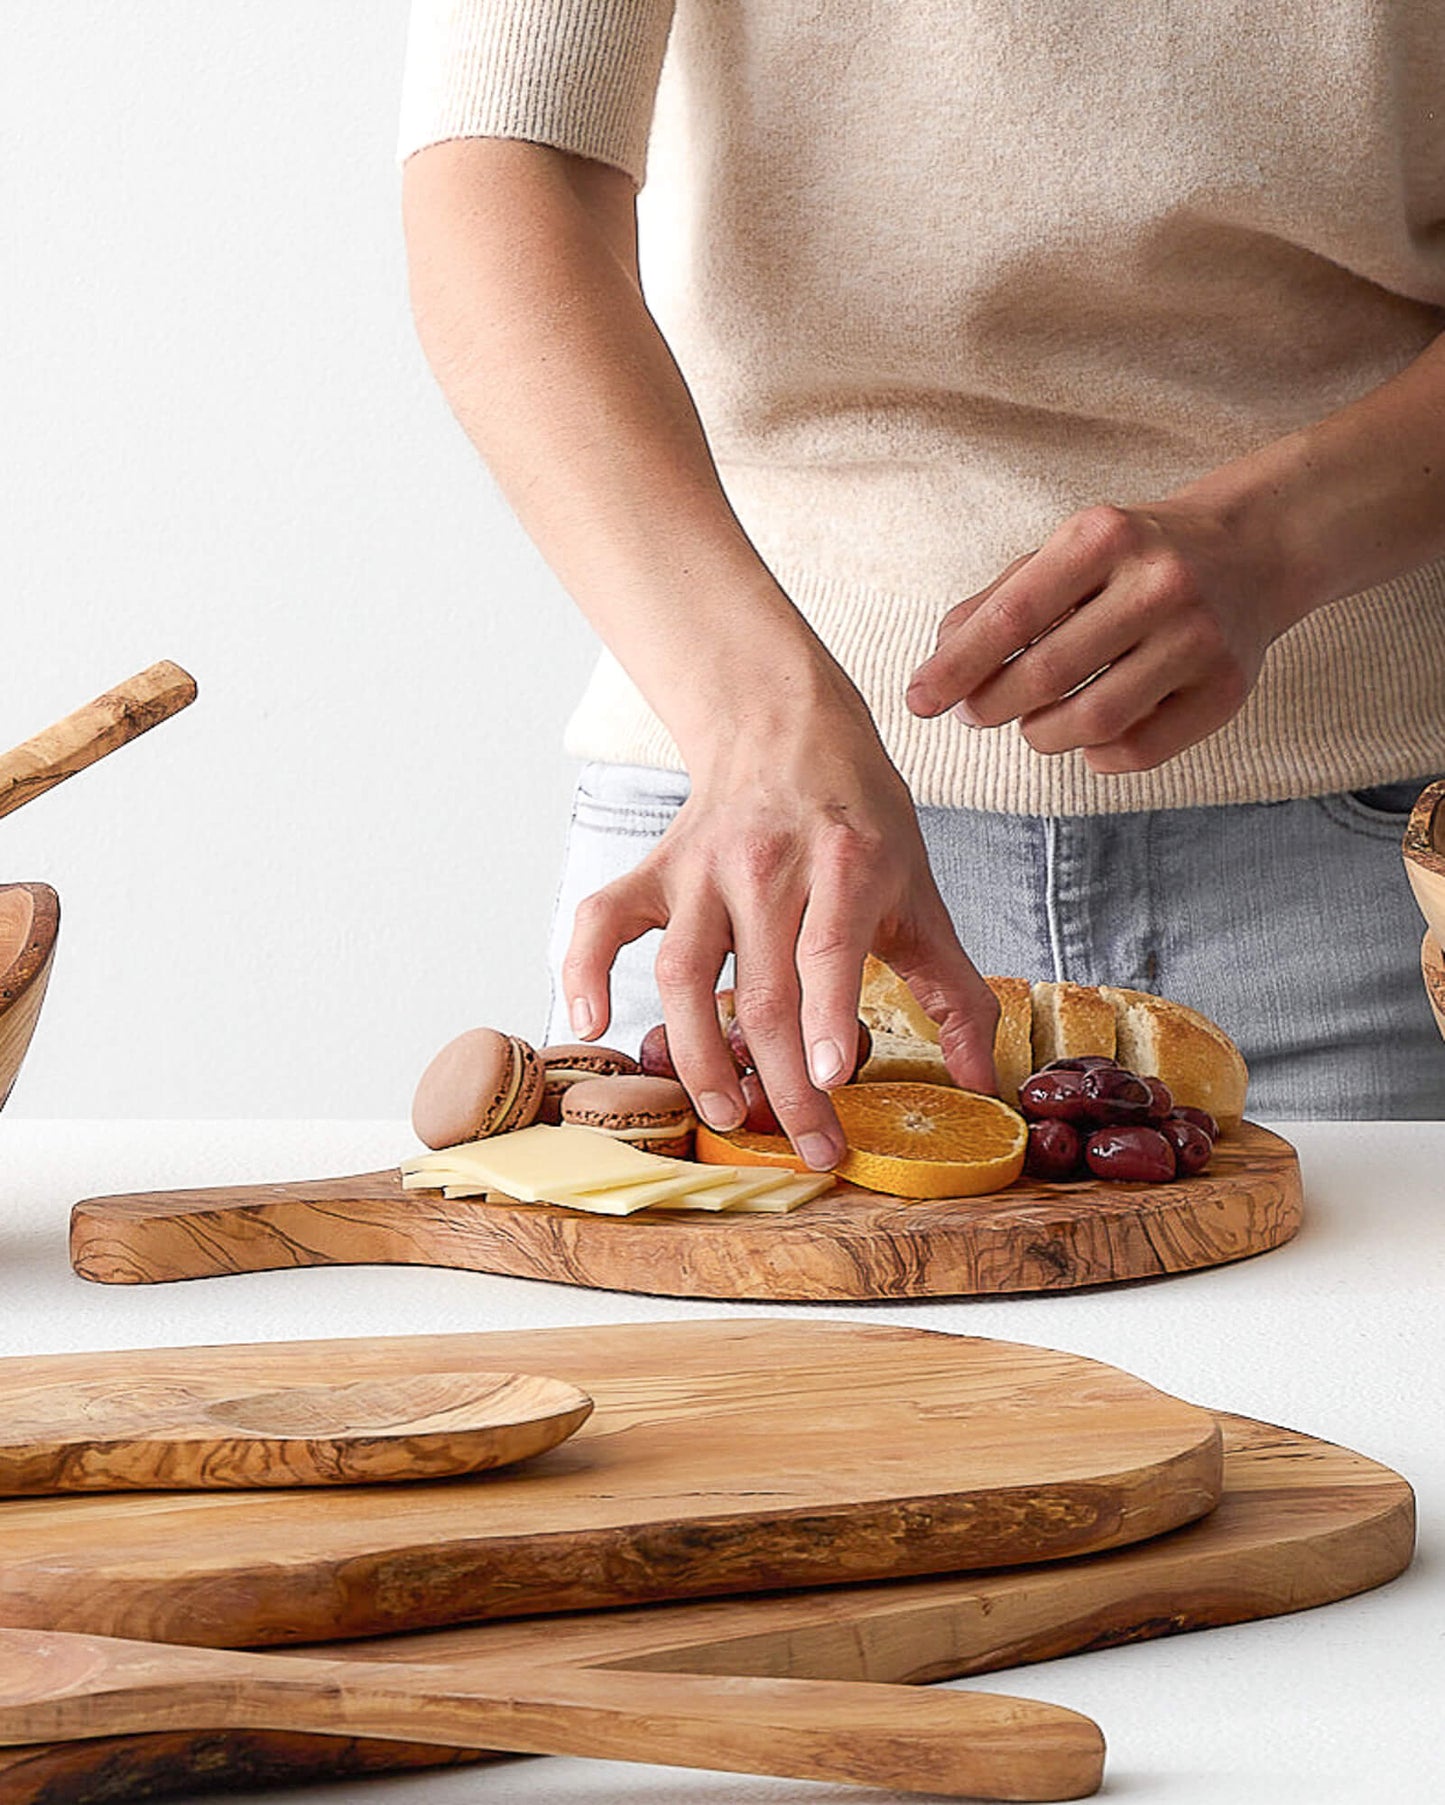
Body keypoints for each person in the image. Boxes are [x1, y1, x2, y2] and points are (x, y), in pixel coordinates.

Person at [398, 1, 1445, 1163]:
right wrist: (759, 719)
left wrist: (1281, 534)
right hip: (740, 836)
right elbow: (498, 174)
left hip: (1369, 872)